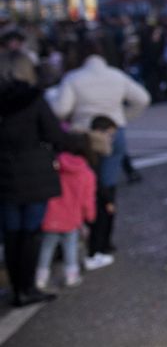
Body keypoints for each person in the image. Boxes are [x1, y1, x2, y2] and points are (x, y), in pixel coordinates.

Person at [48, 40, 151, 268]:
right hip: (115, 132)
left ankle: (84, 240)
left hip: (84, 137)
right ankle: (105, 241)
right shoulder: (116, 75)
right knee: (108, 187)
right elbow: (143, 98)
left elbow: (60, 109)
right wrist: (123, 118)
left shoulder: (73, 78)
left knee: (85, 188)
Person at [0, 49, 87, 306]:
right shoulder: (33, 100)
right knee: (31, 234)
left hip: (4, 176)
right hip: (35, 175)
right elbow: (55, 136)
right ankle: (28, 287)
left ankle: (17, 288)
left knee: (11, 235)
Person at [36, 122, 103, 290]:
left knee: (46, 247)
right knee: (70, 247)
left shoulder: (55, 166)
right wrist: (90, 216)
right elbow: (88, 200)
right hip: (72, 218)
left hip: (50, 215)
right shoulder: (87, 173)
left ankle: (40, 277)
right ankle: (71, 275)